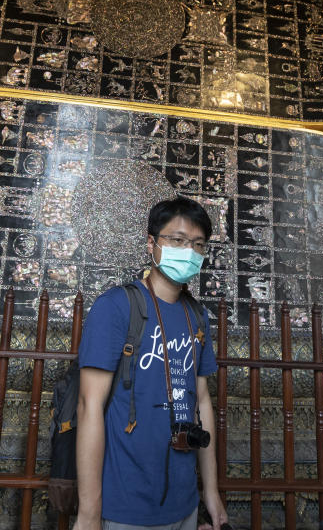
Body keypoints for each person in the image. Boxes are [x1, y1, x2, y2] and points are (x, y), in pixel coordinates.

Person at [74, 197, 229, 530]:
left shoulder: (197, 315)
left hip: (184, 502)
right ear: (151, 243)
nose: (188, 251)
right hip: (125, 506)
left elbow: (202, 400)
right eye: (177, 240)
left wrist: (211, 493)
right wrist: (89, 513)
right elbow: (89, 406)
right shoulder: (116, 307)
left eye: (198, 244)